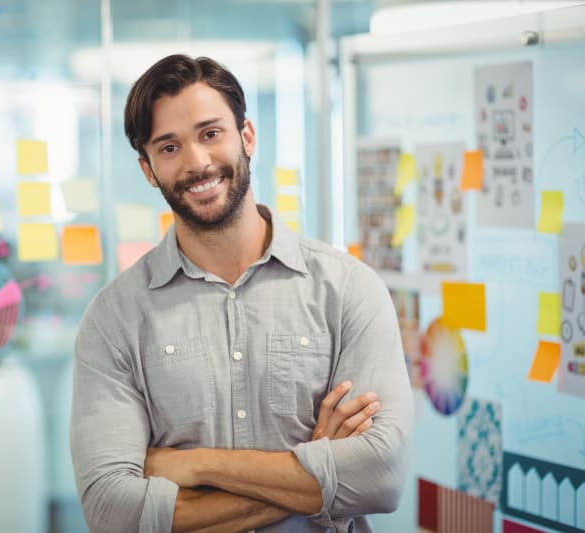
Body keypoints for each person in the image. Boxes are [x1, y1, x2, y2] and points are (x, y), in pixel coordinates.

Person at [69, 54, 413, 533]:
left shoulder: (348, 290)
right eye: (169, 147)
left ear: (246, 136)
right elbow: (112, 513)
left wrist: (196, 466)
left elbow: (380, 477)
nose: (197, 162)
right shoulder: (115, 318)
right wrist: (320, 474)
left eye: (211, 133)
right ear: (148, 169)